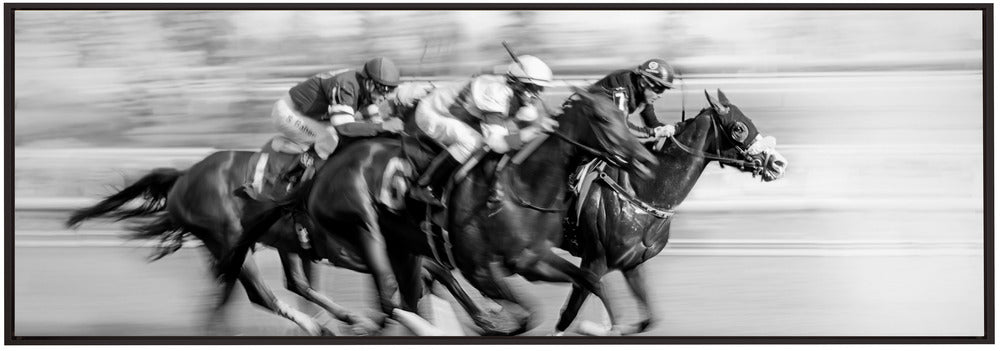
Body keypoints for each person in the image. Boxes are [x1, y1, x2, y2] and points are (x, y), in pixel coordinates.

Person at [236, 57, 405, 200]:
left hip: (312, 115)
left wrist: (391, 127)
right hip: (288, 112)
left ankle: (300, 157)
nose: (385, 95)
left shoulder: (365, 90)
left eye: (390, 90)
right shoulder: (347, 84)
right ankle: (288, 180)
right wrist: (383, 126)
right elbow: (344, 127)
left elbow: (373, 122)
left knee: (353, 133)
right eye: (383, 89)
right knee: (329, 138)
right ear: (369, 83)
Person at [408, 55, 559, 206]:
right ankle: (426, 186)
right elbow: (497, 144)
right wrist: (537, 129)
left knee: (510, 135)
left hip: (460, 116)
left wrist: (542, 123)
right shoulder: (495, 93)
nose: (539, 95)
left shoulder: (518, 98)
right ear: (520, 86)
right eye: (536, 89)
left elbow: (522, 130)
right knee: (472, 141)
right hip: (431, 113)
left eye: (541, 89)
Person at [591, 58, 678, 140]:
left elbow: (653, 123)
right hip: (588, 125)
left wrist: (669, 130)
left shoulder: (642, 91)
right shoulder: (620, 91)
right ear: (644, 83)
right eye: (659, 90)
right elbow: (622, 128)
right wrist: (653, 132)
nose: (660, 95)